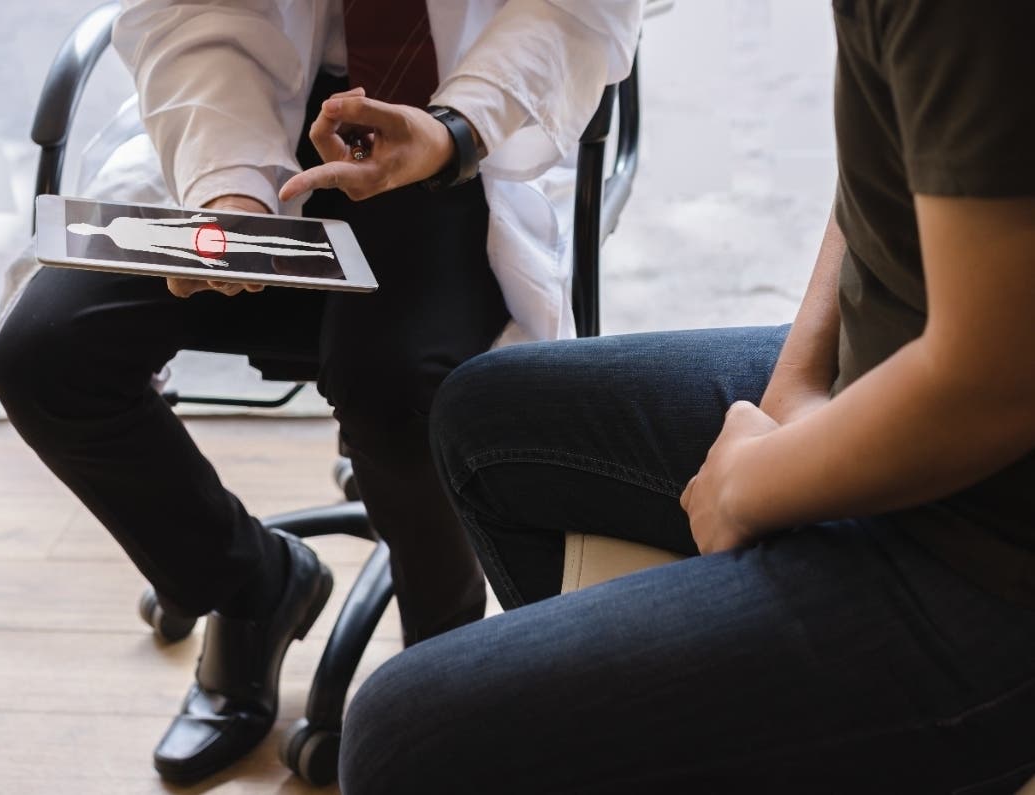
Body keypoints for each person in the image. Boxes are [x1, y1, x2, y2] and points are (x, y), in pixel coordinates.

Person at [335, 2, 1035, 792]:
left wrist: (751, 483)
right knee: (482, 423)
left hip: (988, 544)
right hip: (903, 368)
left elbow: (995, 382)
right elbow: (893, 164)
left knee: (402, 739)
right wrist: (793, 393)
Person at [0, 0, 642, 784]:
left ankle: (443, 665)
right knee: (46, 357)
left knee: (394, 379)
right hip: (241, 97)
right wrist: (228, 185)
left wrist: (456, 129)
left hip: (458, 114)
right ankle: (252, 584)